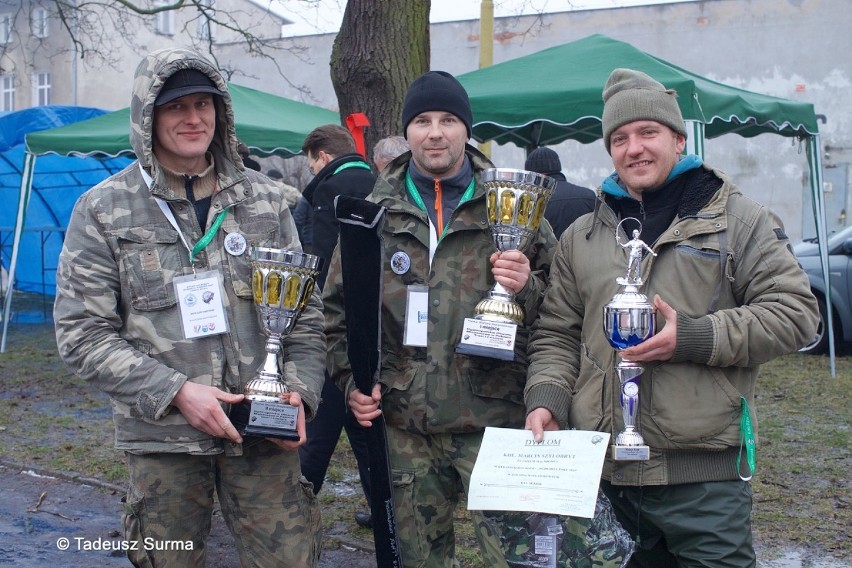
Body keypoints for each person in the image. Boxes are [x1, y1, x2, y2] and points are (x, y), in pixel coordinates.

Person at [524, 68, 819, 566]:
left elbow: (795, 313)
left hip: (703, 478)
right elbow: (557, 333)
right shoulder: (584, 235)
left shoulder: (740, 221)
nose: (633, 148)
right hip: (605, 472)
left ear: (678, 139)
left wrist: (695, 337)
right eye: (619, 138)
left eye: (648, 133)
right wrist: (548, 398)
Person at [53, 47, 326, 568]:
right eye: (176, 107)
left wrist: (299, 392)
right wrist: (176, 392)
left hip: (262, 436)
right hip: (164, 441)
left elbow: (307, 319)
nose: (194, 118)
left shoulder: (269, 202)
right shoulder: (104, 210)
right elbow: (81, 333)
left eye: (205, 104)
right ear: (147, 116)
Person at [323, 70, 556, 566]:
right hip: (406, 425)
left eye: (448, 120)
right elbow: (337, 314)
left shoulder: (512, 204)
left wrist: (525, 286)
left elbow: (561, 311)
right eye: (422, 120)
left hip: (496, 421)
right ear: (406, 132)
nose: (435, 132)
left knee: (519, 559)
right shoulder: (372, 214)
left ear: (466, 129)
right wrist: (351, 383)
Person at [298, 123, 376, 529]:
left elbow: (321, 262)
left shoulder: (327, 191)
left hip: (333, 327)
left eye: (311, 163)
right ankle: (383, 509)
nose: (311, 172)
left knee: (318, 433)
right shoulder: (380, 182)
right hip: (375, 329)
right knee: (365, 432)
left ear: (322, 156)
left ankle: (295, 509)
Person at [523, 146, 595, 238]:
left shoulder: (533, 202)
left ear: (532, 174)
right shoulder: (589, 196)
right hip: (585, 252)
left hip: (552, 252)